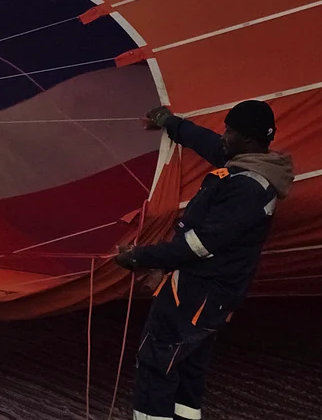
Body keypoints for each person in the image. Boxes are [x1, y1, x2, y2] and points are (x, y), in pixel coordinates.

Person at [116, 100, 294, 420]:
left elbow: (199, 246)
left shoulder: (247, 189)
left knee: (158, 361)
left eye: (230, 131)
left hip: (201, 289)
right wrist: (171, 123)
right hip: (214, 289)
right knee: (189, 365)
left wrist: (141, 256)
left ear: (249, 138)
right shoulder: (251, 163)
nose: (223, 135)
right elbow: (208, 142)